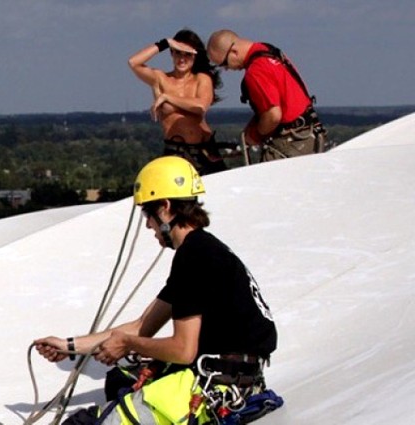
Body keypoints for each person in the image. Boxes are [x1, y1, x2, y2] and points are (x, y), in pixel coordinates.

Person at [34, 156, 282, 425]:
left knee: (84, 423)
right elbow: (143, 325)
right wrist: (70, 346)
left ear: (164, 208)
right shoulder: (206, 249)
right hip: (237, 382)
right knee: (119, 379)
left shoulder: (194, 257)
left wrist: (127, 344)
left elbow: (182, 350)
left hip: (211, 388)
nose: (147, 225)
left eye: (147, 214)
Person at [207, 29, 328, 163]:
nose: (227, 69)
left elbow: (273, 115)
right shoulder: (268, 50)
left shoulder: (255, 71)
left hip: (292, 141)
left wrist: (255, 135)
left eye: (224, 63)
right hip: (310, 134)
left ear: (234, 51)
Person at [128, 28, 228, 175]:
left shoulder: (201, 78)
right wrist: (166, 43)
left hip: (203, 151)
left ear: (195, 56)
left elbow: (201, 106)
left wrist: (167, 97)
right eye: (177, 52)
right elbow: (133, 62)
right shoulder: (161, 79)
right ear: (172, 54)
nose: (182, 59)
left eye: (187, 54)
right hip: (174, 150)